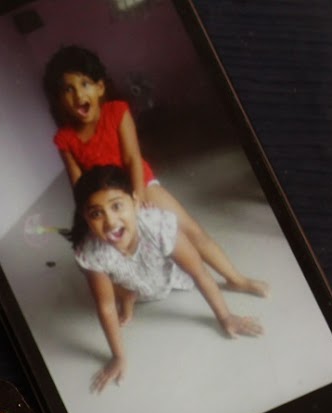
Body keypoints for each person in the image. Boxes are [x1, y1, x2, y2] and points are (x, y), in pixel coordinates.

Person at [42, 45, 268, 298]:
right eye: (68, 89)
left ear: (100, 88)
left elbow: (132, 158)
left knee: (191, 230)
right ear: (60, 99)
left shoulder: (117, 112)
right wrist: (90, 216)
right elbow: (78, 183)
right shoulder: (64, 139)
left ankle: (235, 279)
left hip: (140, 185)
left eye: (84, 84)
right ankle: (132, 292)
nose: (77, 95)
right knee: (101, 252)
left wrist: (137, 196)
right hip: (106, 200)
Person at [67, 165, 263, 393]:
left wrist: (225, 316)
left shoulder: (157, 225)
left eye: (117, 206)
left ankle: (129, 293)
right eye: (96, 213)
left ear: (135, 201)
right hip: (132, 285)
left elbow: (198, 272)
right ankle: (128, 296)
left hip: (167, 279)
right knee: (99, 277)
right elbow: (106, 306)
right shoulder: (92, 251)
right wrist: (118, 357)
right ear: (86, 218)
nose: (110, 222)